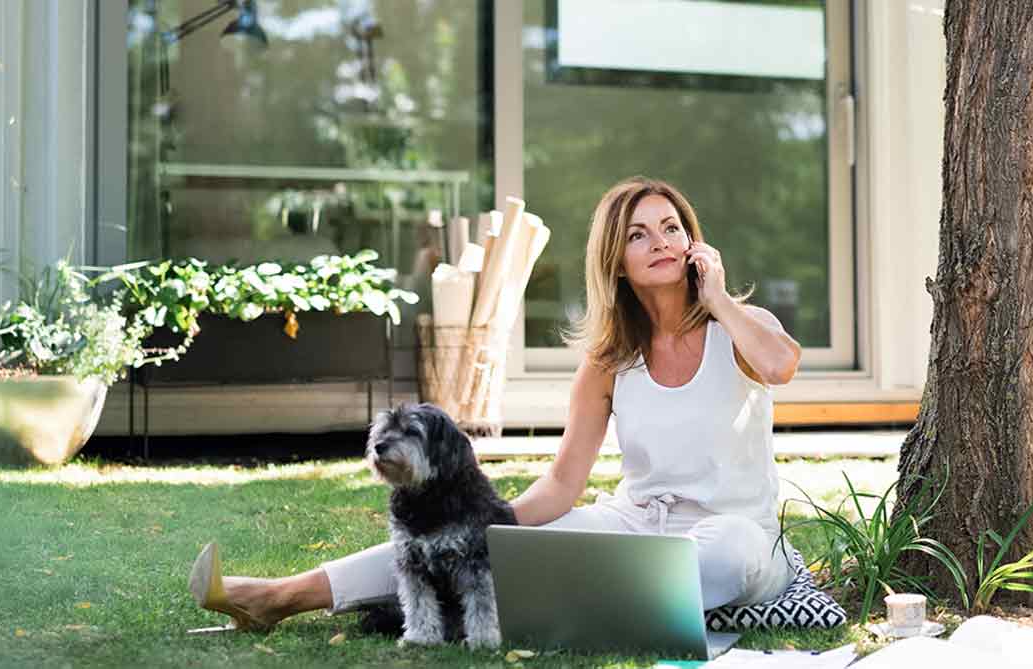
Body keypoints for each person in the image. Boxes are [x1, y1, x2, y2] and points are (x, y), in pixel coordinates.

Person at [188, 176, 805, 633]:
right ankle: (279, 596)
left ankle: (501, 611)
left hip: (737, 533)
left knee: (719, 554)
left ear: (694, 242)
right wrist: (488, 525)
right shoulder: (609, 360)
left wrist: (719, 299)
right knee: (475, 537)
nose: (661, 242)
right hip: (635, 525)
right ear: (617, 260)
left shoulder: (741, 325)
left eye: (672, 228)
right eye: (638, 234)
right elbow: (564, 482)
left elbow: (780, 365)